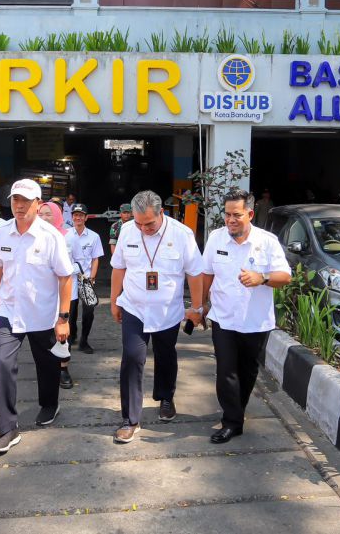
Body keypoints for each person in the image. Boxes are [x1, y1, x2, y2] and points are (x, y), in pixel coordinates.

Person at [0, 179, 73, 455]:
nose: (19, 206)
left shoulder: (50, 236)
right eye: (15, 200)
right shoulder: (2, 233)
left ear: (38, 203)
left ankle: (50, 403)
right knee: (3, 363)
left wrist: (64, 317)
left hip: (42, 314)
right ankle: (8, 428)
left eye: (25, 201)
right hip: (9, 312)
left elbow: (65, 276)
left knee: (46, 364)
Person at [195, 189, 291, 443]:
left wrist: (262, 278)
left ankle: (236, 411)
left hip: (255, 321)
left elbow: (285, 276)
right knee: (226, 371)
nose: (230, 220)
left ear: (250, 214)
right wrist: (201, 305)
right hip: (223, 317)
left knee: (247, 372)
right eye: (227, 215)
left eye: (236, 215)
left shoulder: (267, 241)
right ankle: (231, 422)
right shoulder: (216, 239)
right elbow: (207, 273)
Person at [110, 190, 203, 444]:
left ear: (162, 213)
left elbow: (195, 273)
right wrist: (115, 301)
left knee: (165, 354)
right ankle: (130, 419)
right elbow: (119, 267)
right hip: (134, 307)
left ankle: (165, 397)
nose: (143, 228)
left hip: (167, 311)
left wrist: (197, 308)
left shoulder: (181, 234)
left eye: (149, 223)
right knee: (131, 357)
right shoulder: (128, 231)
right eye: (139, 223)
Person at [38, 201, 78, 388]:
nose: (44, 218)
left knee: (63, 330)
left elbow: (79, 261)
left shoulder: (69, 236)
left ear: (58, 215)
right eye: (41, 214)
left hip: (65, 291)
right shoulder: (35, 236)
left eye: (49, 214)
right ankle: (47, 365)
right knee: (44, 332)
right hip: (43, 292)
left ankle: (64, 368)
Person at [65, 203, 103, 354]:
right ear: (72, 217)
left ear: (86, 218)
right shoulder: (65, 234)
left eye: (81, 215)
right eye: (75, 215)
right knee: (71, 312)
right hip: (69, 278)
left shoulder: (94, 236)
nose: (78, 217)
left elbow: (95, 259)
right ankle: (71, 334)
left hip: (86, 277)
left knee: (88, 311)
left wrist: (92, 278)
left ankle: (84, 341)